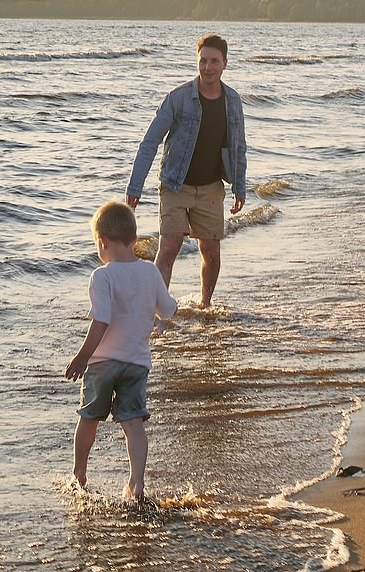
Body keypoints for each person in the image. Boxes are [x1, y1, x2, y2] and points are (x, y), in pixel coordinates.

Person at [65, 199, 177, 502]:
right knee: (133, 423)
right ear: (135, 241)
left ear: (102, 242)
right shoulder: (151, 272)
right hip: (136, 364)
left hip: (102, 364)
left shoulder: (102, 276)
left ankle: (79, 475)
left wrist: (83, 355)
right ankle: (137, 483)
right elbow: (167, 310)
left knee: (89, 417)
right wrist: (160, 301)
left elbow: (101, 320)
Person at [126, 34, 247, 307]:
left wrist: (240, 187)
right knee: (169, 246)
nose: (207, 67)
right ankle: (156, 313)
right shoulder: (178, 99)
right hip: (175, 185)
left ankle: (205, 305)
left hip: (211, 187)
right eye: (203, 61)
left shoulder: (233, 101)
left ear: (225, 63)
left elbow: (239, 146)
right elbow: (150, 142)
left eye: (214, 61)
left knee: (211, 251)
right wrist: (135, 187)